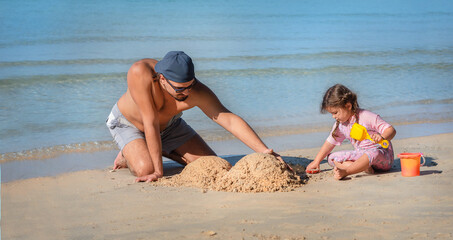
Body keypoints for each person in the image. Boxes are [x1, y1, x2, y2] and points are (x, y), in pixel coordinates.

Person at [106, 51, 288, 182]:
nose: (186, 93)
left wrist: (265, 151)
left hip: (169, 126)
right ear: (162, 79)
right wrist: (158, 172)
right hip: (129, 124)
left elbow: (229, 119)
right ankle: (127, 153)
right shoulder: (140, 73)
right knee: (147, 169)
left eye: (190, 85)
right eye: (179, 89)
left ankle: (154, 148)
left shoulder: (195, 91)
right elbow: (150, 122)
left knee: (214, 165)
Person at [305, 84, 396, 180]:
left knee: (374, 152)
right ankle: (363, 168)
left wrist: (382, 137)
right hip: (361, 157)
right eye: (331, 114)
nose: (333, 116)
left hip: (382, 158)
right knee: (331, 157)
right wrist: (317, 161)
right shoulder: (341, 124)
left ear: (348, 106)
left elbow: (391, 130)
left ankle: (347, 171)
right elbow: (330, 142)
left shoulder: (366, 116)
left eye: (335, 113)